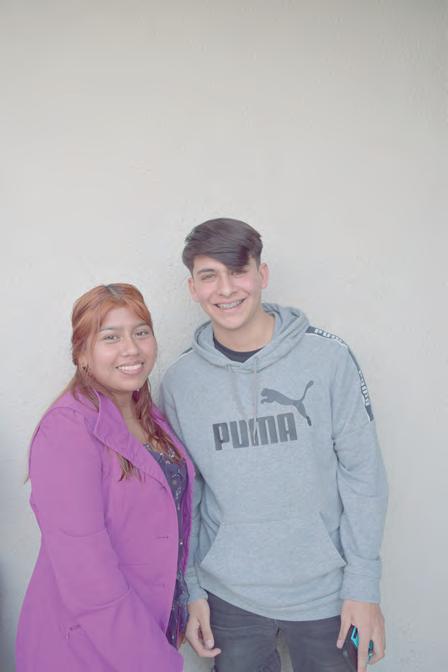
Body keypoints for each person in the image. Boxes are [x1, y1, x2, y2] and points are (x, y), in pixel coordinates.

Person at [159, 219, 388, 672]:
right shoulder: (181, 382)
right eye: (209, 276)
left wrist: (364, 586)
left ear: (261, 275)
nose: (226, 289)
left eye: (238, 271)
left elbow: (363, 475)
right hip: (229, 599)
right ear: (193, 288)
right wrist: (192, 589)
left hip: (327, 594)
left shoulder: (328, 359)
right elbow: (186, 496)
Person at [16, 283, 194, 672]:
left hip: (149, 627)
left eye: (141, 332)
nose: (131, 349)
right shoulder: (67, 429)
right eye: (111, 337)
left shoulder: (149, 415)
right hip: (87, 648)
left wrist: (187, 602)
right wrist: (155, 661)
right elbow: (87, 575)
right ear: (82, 353)